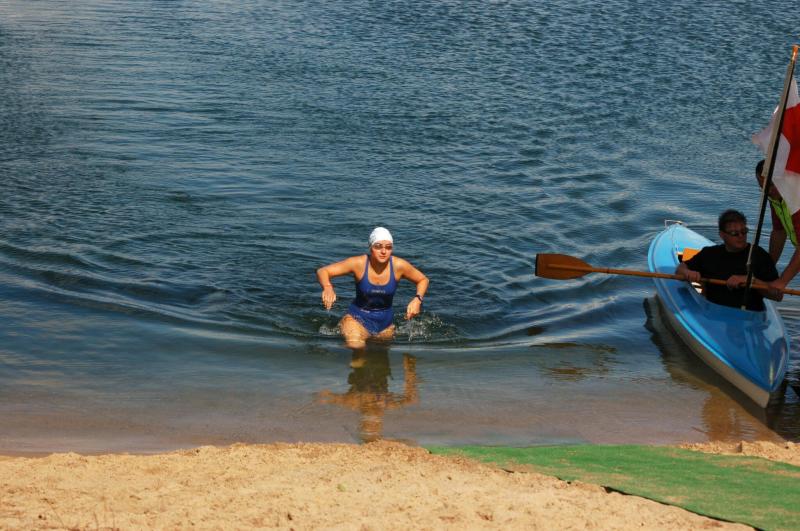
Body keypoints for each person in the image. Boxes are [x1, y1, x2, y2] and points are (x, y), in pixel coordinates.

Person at [317, 227, 429, 348]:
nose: (383, 251)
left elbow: (423, 280)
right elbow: (323, 271)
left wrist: (418, 299)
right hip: (357, 318)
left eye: (388, 247)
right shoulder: (359, 263)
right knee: (356, 346)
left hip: (385, 323)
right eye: (378, 246)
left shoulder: (399, 266)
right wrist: (328, 287)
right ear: (371, 247)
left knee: (380, 357)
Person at [675, 209, 780, 311]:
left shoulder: (759, 255)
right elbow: (680, 269)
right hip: (713, 313)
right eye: (734, 233)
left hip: (749, 316)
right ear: (722, 235)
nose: (741, 236)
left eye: (744, 231)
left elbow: (778, 296)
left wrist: (751, 281)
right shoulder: (709, 254)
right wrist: (687, 272)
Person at [755, 159, 800, 293]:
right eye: (762, 187)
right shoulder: (774, 197)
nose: (768, 191)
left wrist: (782, 281)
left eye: (771, 185)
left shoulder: (796, 199)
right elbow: (779, 232)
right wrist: (768, 268)